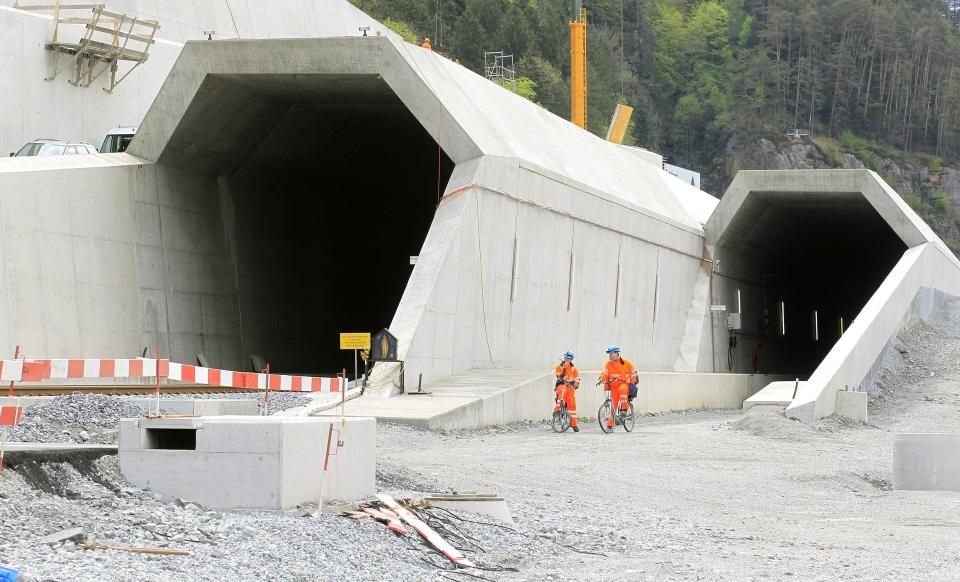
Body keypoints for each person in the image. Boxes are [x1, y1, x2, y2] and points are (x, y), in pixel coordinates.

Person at [599, 345, 637, 430]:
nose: (610, 355)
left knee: (622, 390)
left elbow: (633, 372)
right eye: (609, 354)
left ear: (616, 353)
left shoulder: (625, 362)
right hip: (613, 387)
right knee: (613, 406)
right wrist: (601, 379)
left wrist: (633, 382)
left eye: (611, 353)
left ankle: (624, 409)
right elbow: (604, 373)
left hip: (623, 384)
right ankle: (610, 425)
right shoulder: (608, 364)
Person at [554, 351, 580, 432]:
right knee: (562, 392)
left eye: (569, 358)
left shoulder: (574, 369)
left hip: (570, 387)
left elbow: (577, 379)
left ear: (571, 359)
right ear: (564, 358)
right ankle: (557, 410)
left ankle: (573, 424)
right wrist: (564, 369)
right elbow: (559, 376)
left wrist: (576, 385)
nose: (567, 359)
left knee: (572, 403)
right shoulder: (559, 367)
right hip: (561, 385)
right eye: (566, 358)